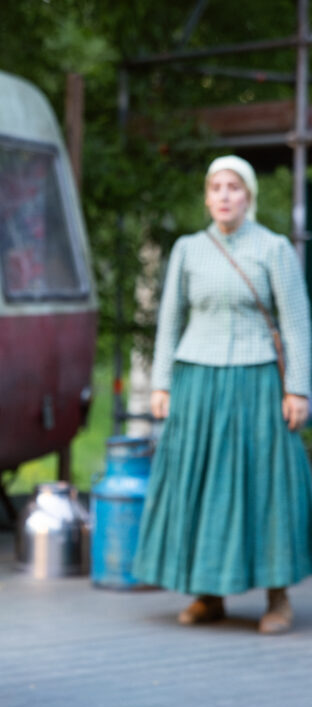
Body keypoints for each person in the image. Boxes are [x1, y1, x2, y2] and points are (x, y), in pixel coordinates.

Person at [133, 155, 312, 634]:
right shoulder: (188, 250)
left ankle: (277, 598)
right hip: (197, 381)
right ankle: (208, 594)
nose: (225, 195)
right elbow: (168, 320)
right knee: (201, 484)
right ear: (207, 196)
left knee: (267, 485)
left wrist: (298, 388)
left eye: (234, 186)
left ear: (248, 195)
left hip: (257, 382)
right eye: (216, 187)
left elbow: (296, 325)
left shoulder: (274, 249)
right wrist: (162, 383)